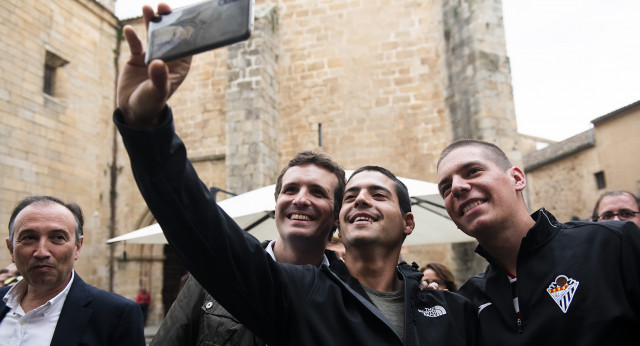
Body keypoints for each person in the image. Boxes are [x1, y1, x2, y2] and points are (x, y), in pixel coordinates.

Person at [114, 5, 477, 344]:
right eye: (351, 195)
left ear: (408, 222)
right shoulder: (302, 292)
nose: (361, 199)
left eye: (378, 194)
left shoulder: (454, 310)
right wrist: (147, 129)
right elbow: (200, 226)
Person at [436, 139, 640, 345]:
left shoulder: (611, 244)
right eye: (445, 188)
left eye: (473, 171)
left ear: (517, 178)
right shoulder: (469, 300)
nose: (457, 187)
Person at [151, 150, 346, 346]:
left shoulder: (349, 293)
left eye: (317, 192)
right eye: (290, 190)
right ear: (277, 203)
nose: (300, 199)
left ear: (337, 216)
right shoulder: (216, 273)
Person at [0, 196, 146, 346]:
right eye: (29, 237)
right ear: (11, 248)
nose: (42, 252)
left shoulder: (115, 316)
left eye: (57, 237)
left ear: (78, 247)